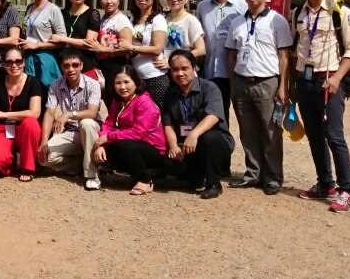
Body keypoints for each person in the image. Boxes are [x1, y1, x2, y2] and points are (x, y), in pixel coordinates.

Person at [292, 0, 350, 213]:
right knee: (314, 136)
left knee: (334, 135)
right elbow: (294, 50)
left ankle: (347, 190)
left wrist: (337, 79)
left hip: (329, 80)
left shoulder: (340, 13)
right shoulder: (297, 13)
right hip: (305, 80)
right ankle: (325, 183)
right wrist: (291, 85)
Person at [226, 0, 294, 195]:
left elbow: (284, 55)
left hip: (268, 83)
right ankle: (252, 173)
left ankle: (273, 176)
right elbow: (231, 54)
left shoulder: (277, 20)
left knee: (271, 130)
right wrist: (233, 83)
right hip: (242, 82)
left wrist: (283, 86)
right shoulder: (236, 22)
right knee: (248, 130)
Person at [163, 50, 235, 199]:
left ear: (194, 68)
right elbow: (168, 124)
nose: (180, 73)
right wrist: (173, 145)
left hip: (214, 143)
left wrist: (194, 134)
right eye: (175, 69)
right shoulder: (170, 94)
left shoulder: (209, 88)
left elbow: (213, 116)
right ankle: (194, 176)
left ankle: (214, 184)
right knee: (186, 178)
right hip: (186, 146)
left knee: (210, 138)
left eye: (185, 68)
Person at [93, 66, 166, 195]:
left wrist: (109, 137)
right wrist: (102, 144)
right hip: (130, 143)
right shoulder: (118, 101)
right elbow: (109, 124)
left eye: (127, 82)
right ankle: (135, 175)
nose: (122, 87)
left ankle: (146, 180)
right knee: (106, 151)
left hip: (152, 148)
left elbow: (138, 133)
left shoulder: (144, 102)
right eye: (118, 83)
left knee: (125, 144)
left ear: (136, 82)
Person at [38, 49, 105, 189]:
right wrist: (44, 142)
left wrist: (69, 114)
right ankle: (81, 163)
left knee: (86, 123)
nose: (71, 69)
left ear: (81, 65)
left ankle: (92, 175)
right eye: (66, 66)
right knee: (44, 158)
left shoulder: (93, 84)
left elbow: (92, 113)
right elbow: (49, 113)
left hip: (91, 131)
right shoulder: (55, 85)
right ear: (61, 67)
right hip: (70, 132)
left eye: (75, 65)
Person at [194, 0, 247, 117]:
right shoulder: (202, 7)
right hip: (210, 69)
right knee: (216, 113)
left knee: (243, 114)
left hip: (236, 70)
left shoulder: (242, 5)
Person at [0, 48, 43, 181]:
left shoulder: (33, 82)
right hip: (2, 130)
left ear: (23, 62)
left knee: (31, 122)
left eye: (18, 61)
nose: (14, 65)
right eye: (9, 62)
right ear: (4, 65)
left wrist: (4, 114)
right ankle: (9, 161)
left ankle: (27, 167)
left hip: (24, 130)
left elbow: (35, 113)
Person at [128, 0, 169, 106]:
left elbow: (156, 48)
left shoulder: (158, 19)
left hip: (154, 76)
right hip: (136, 77)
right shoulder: (132, 19)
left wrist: (130, 47)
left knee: (156, 116)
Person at [20, 0, 65, 83]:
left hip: (46, 61)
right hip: (29, 59)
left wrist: (37, 45)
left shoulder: (53, 10)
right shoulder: (29, 8)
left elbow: (62, 41)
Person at [87, 0, 133, 94]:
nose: (109, 1)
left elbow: (127, 48)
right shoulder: (102, 18)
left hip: (116, 66)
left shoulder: (121, 20)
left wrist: (102, 49)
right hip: (102, 66)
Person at [51, 0, 101, 73]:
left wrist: (63, 39)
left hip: (83, 64)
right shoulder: (62, 13)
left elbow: (89, 43)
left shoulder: (92, 14)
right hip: (62, 62)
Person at [163, 0, 205, 68]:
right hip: (163, 69)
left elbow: (201, 50)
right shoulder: (163, 20)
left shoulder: (191, 21)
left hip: (182, 69)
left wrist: (174, 60)